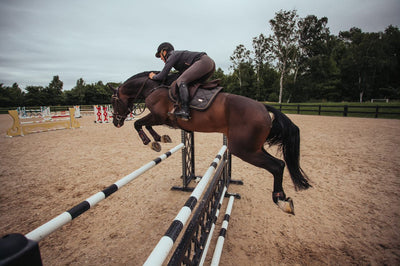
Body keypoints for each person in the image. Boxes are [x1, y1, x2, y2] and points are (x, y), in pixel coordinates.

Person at [149, 42, 215, 121]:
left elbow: (162, 76)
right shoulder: (177, 57)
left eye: (160, 55)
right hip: (209, 64)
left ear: (164, 51)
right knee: (188, 83)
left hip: (204, 62)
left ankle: (185, 111)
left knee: (181, 80)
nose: (160, 58)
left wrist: (153, 76)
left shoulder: (172, 56)